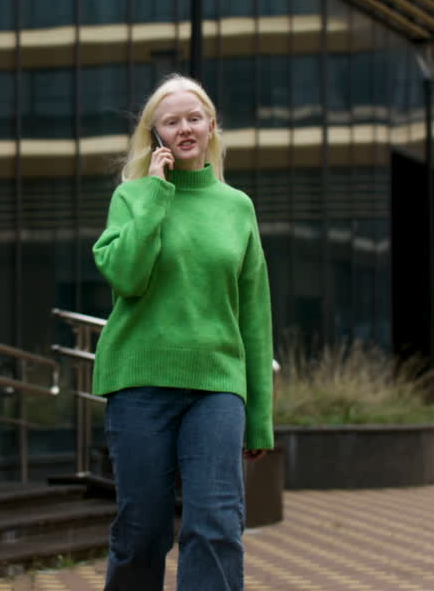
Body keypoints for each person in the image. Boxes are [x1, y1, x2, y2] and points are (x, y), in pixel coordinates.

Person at [91, 73, 274, 591]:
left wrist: (259, 414)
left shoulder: (237, 207)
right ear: (156, 135)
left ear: (212, 126)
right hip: (140, 384)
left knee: (216, 526)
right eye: (171, 121)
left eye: (194, 118)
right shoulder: (131, 198)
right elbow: (127, 276)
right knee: (142, 532)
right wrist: (153, 193)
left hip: (217, 386)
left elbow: (254, 315)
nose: (185, 128)